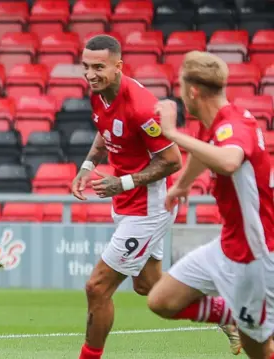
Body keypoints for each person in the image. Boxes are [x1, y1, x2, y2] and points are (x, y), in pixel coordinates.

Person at [147, 51, 274, 359]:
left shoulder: (233, 126)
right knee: (161, 300)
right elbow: (206, 150)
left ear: (193, 91)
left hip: (253, 257)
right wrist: (183, 183)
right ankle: (232, 312)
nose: (179, 94)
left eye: (180, 86)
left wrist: (172, 133)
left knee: (260, 351)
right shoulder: (215, 122)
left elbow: (230, 160)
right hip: (228, 246)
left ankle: (245, 316)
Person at [70, 34, 185, 359]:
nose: (90, 74)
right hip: (128, 204)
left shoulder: (142, 107)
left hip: (149, 208)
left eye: (99, 67)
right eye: (86, 67)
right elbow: (105, 129)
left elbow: (173, 160)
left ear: (119, 66)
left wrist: (122, 183)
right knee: (149, 287)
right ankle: (224, 313)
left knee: (97, 287)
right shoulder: (99, 94)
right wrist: (87, 166)